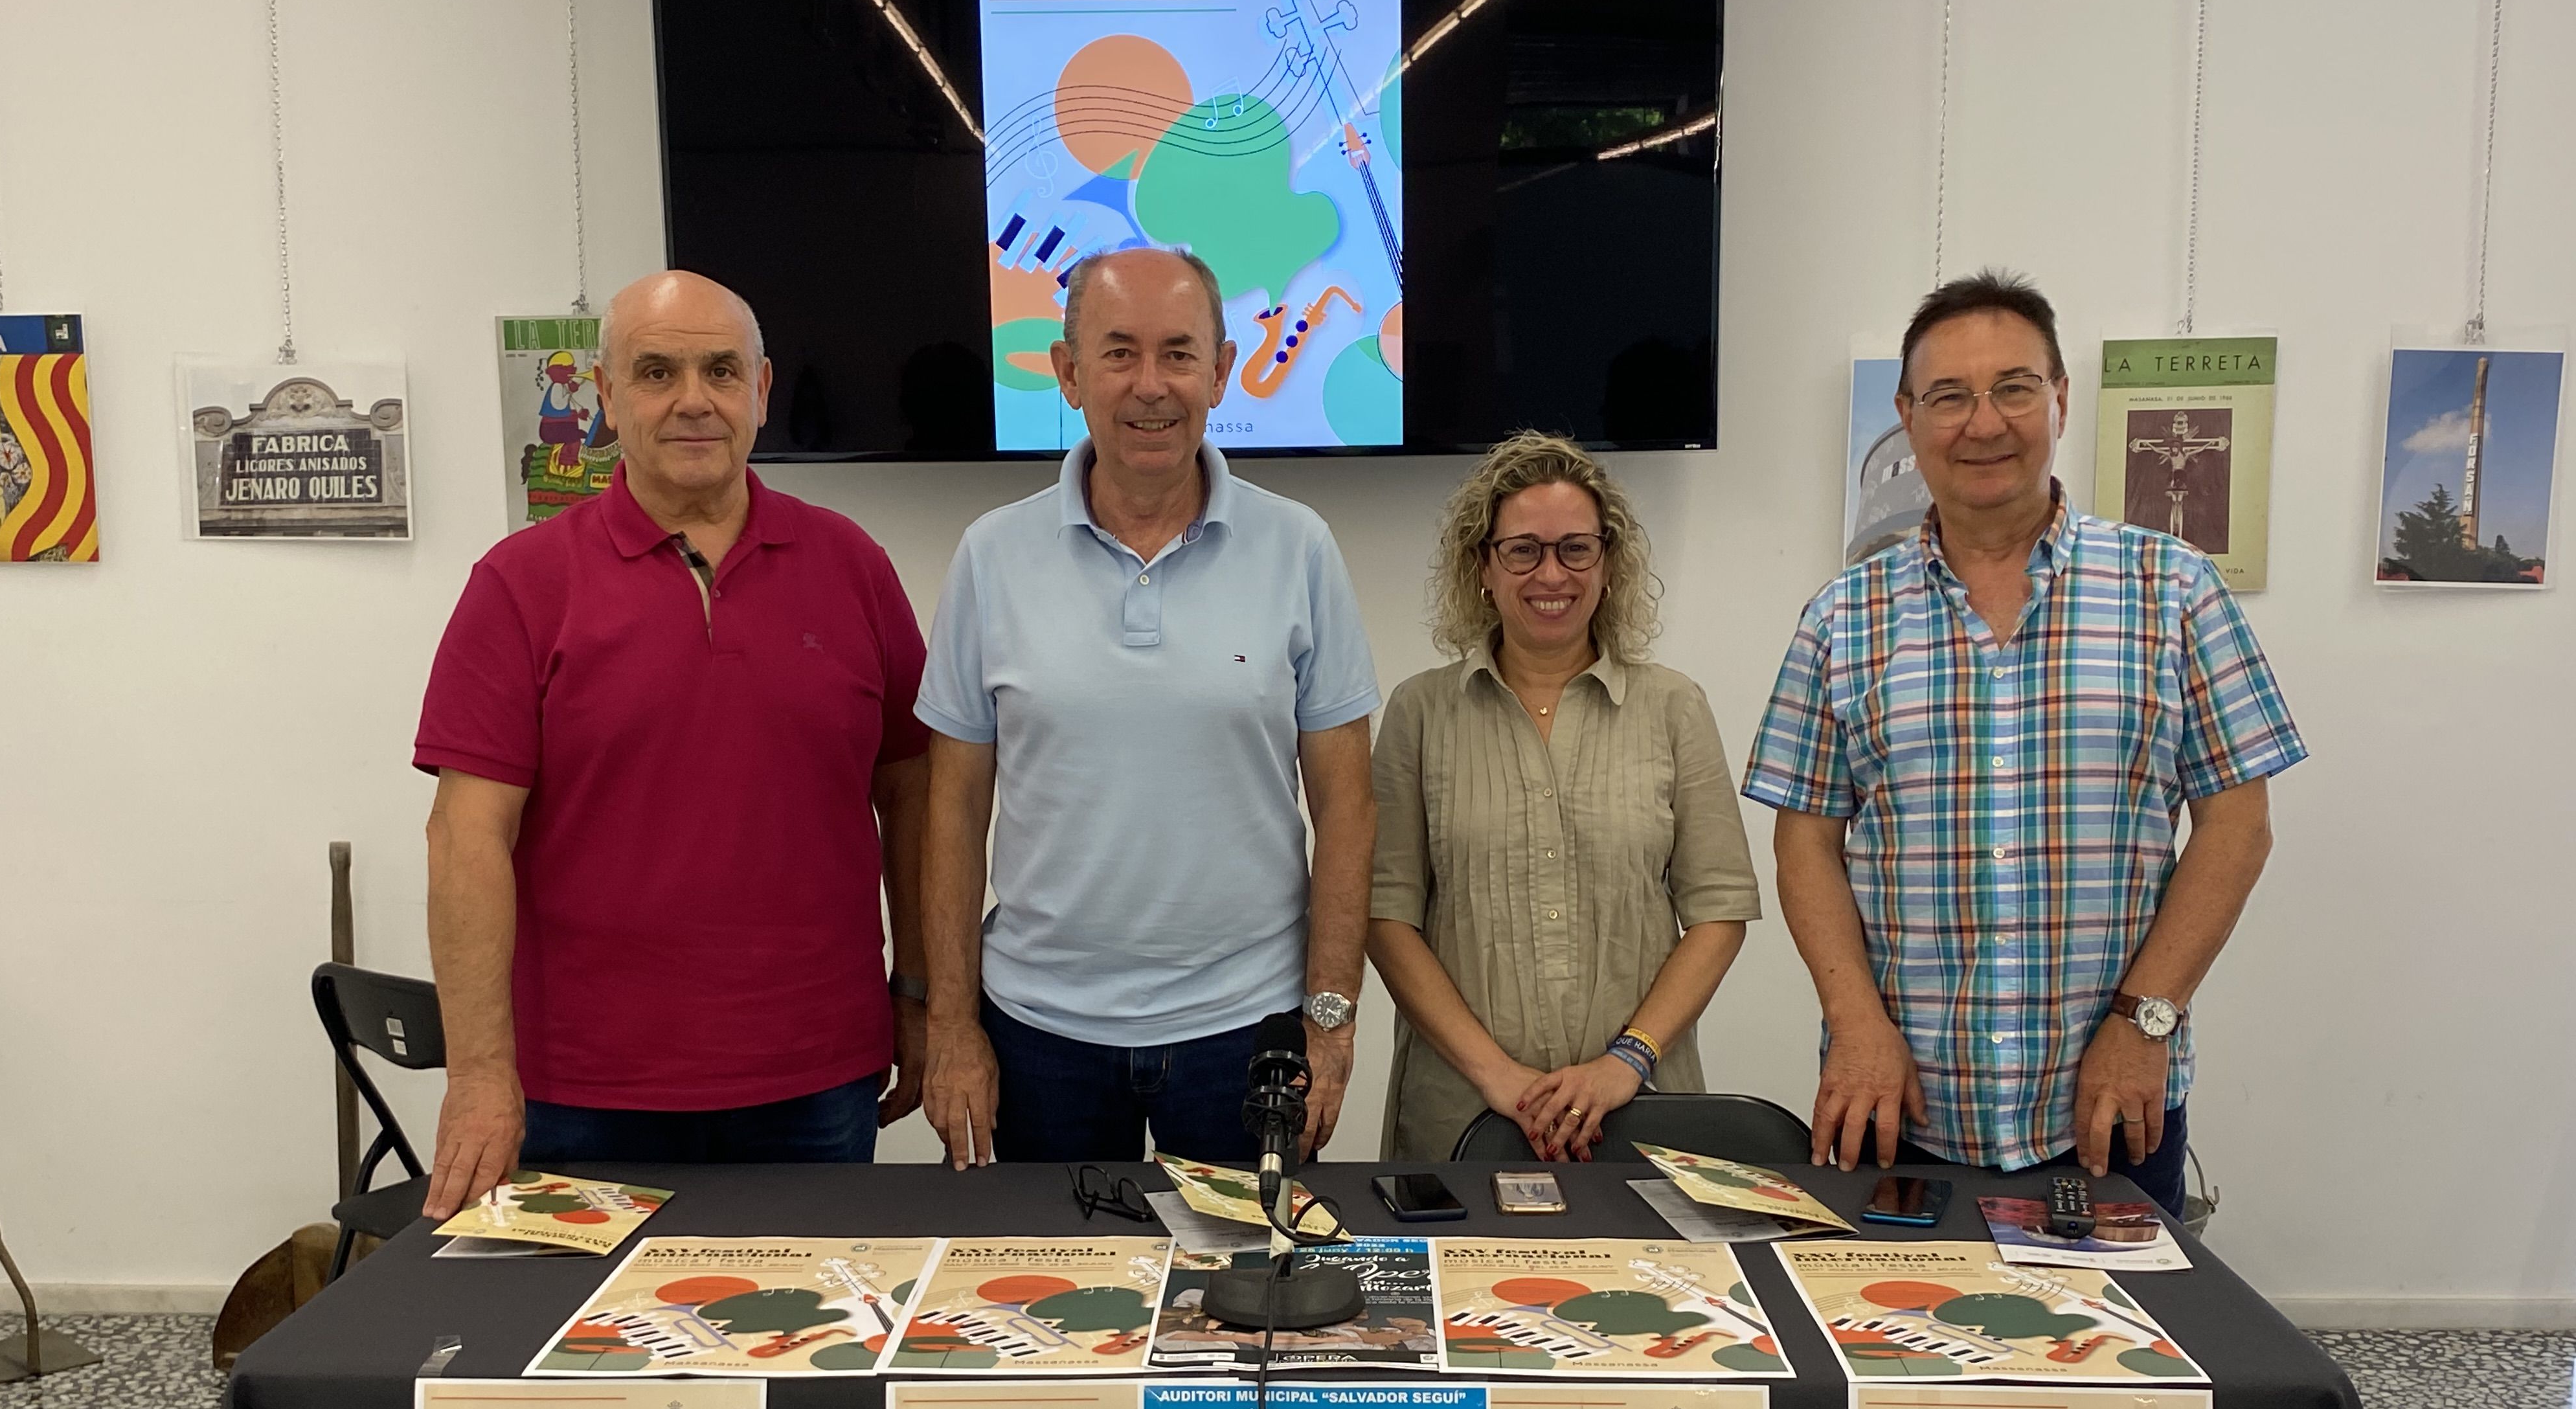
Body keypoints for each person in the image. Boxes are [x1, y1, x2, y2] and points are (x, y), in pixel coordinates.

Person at [1743, 271, 2307, 1217]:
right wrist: (1854, 1020)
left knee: (2127, 1360)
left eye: (2012, 388)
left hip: (2111, 1105)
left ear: (2060, 398)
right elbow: (1805, 842)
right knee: (1895, 1351)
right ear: (1908, 416)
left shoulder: (2171, 590)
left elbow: (2238, 826)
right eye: (1949, 396)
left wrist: (2146, 1019)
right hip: (1900, 1103)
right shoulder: (1843, 619)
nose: (1984, 422)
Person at [413, 269, 931, 1212]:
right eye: (656, 373)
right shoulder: (520, 585)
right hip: (583, 1093)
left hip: (816, 1081)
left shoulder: (854, 568)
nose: (694, 401)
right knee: (584, 1355)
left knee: (796, 1341)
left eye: (721, 372)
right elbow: (465, 839)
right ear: (604, 396)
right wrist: (480, 1073)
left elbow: (915, 799)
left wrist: (924, 998)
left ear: (762, 391)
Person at [917, 246, 1379, 1168]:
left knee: (1248, 1304)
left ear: (1220, 370)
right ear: (1067, 370)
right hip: (1039, 1035)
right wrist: (952, 1023)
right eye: (1119, 352)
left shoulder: (1300, 548)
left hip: (1247, 1030)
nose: (1151, 385)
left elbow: (1347, 807)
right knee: (1053, 1308)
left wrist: (1330, 1018)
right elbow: (953, 807)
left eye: (1178, 353)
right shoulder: (991, 555)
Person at [1366, 432, 1761, 1161]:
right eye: (1523, 550)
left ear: (1608, 563)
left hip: (1643, 1113)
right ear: (1483, 564)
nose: (1552, 573)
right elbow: (1387, 918)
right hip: (1459, 1116)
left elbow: (1720, 910)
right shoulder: (1419, 713)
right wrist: (1500, 1078)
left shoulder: (1674, 707)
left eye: (1576, 548)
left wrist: (1626, 1062)